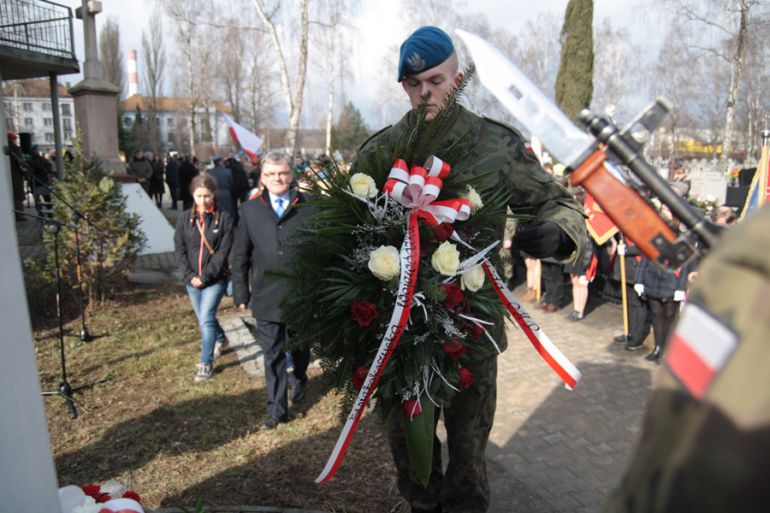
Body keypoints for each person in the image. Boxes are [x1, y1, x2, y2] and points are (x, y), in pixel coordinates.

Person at [352, 26, 586, 513]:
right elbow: (349, 227)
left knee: (467, 463)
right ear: (403, 87)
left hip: (471, 336)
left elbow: (560, 202)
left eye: (436, 80)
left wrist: (558, 234)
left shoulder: (493, 145)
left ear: (457, 78)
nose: (425, 92)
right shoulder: (380, 151)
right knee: (412, 463)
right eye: (414, 83)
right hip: (399, 335)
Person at [603, 204, 770, 513]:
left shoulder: (733, 246)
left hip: (674, 287)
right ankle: (658, 348)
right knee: (657, 317)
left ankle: (661, 348)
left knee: (666, 319)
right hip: (657, 283)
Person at [232, 152, 317, 430]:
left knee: (301, 347)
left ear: (291, 175)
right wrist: (240, 293)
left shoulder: (310, 206)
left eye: (282, 173)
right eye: (271, 174)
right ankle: (276, 410)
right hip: (267, 296)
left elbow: (322, 249)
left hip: (301, 295)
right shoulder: (249, 209)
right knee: (273, 355)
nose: (278, 179)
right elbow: (241, 255)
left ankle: (300, 377)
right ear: (263, 177)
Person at [174, 174, 234, 382]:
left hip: (214, 280)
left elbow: (224, 252)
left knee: (206, 319)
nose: (202, 200)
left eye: (206, 196)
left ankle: (205, 363)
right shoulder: (184, 219)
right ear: (192, 195)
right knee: (203, 319)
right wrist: (190, 275)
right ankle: (219, 338)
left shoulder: (224, 218)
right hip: (191, 280)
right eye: (198, 196)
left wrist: (206, 276)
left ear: (214, 194)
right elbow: (180, 249)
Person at [208, 156, 237, 223]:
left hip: (214, 193)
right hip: (226, 193)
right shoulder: (227, 171)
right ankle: (228, 224)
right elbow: (231, 183)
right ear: (220, 162)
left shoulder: (209, 172)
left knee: (215, 209)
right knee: (227, 210)